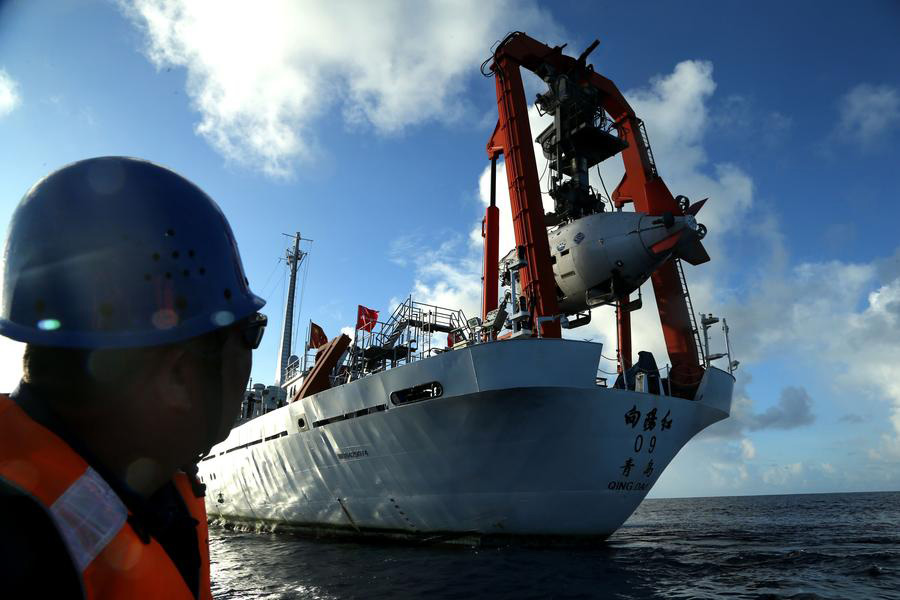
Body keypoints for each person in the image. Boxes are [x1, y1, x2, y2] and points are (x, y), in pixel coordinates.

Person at [0, 157, 267, 599]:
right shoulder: (20, 560)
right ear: (179, 374)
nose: (251, 354)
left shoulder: (143, 499)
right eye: (250, 333)